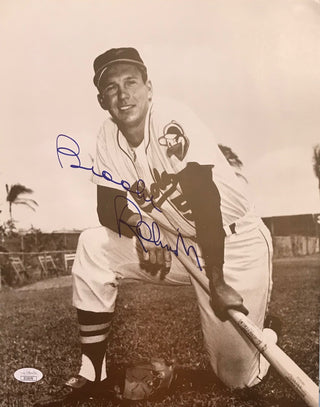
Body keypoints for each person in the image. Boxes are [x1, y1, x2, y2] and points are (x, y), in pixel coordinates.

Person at [36, 47, 276, 406]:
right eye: (112, 88)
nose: (123, 94)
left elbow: (204, 197)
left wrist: (218, 280)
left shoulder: (171, 119)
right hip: (177, 242)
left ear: (149, 87)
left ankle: (268, 334)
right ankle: (93, 374)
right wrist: (144, 230)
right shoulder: (107, 137)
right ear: (103, 100)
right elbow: (107, 206)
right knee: (92, 245)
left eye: (131, 82)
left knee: (237, 379)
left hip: (233, 243)